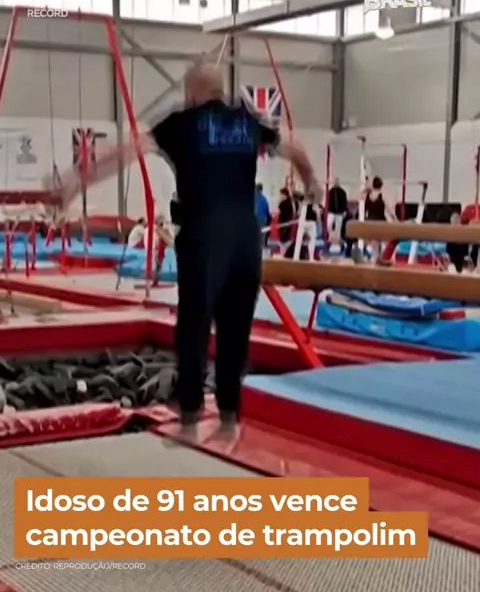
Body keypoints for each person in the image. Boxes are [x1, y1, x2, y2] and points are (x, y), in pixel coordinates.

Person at [51, 61, 318, 432]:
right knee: (235, 328)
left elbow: (124, 150)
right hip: (246, 237)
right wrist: (312, 184)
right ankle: (228, 415)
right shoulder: (247, 122)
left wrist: (75, 181)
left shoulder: (182, 123)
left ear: (192, 92)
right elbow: (295, 149)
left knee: (194, 324)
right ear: (221, 90)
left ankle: (190, 414)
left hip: (204, 231)